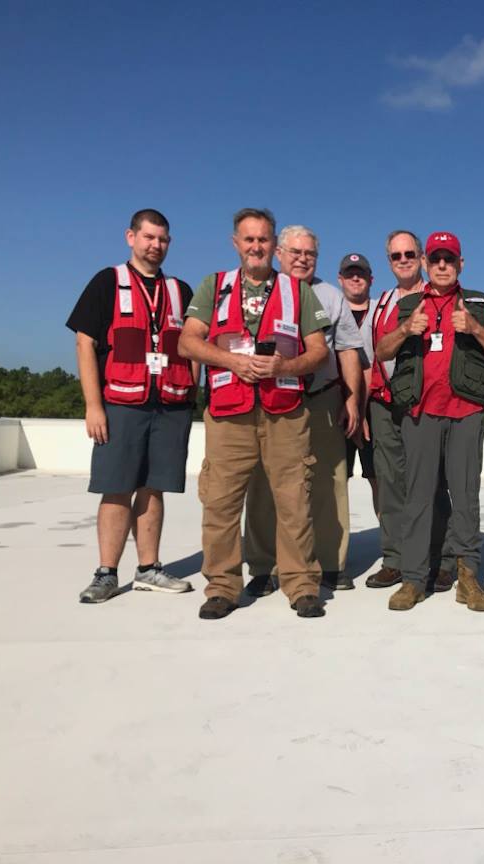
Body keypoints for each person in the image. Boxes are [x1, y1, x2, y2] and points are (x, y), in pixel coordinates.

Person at [178, 208, 329, 620]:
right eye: (249, 240)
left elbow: (319, 351)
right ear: (236, 244)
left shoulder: (298, 291)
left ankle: (301, 584)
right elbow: (188, 342)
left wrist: (283, 366)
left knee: (294, 500)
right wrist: (230, 361)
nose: (256, 247)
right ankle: (223, 587)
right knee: (221, 502)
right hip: (229, 412)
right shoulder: (215, 286)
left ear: (273, 244)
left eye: (263, 239)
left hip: (285, 411)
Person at [67, 208, 197, 603]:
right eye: (148, 237)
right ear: (131, 237)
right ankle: (107, 572)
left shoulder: (180, 290)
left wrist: (194, 395)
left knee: (154, 487)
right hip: (121, 402)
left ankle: (148, 568)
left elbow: (194, 347)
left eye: (162, 239)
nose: (155, 245)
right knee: (116, 487)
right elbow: (85, 343)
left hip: (171, 404)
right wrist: (93, 405)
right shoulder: (108, 281)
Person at [374, 231, 484, 611]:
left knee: (465, 498)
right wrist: (405, 330)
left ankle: (468, 578)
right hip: (420, 413)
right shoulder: (410, 304)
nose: (443, 266)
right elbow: (381, 350)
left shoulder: (479, 303)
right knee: (417, 497)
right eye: (436, 259)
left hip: (466, 412)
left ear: (461, 264)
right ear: (425, 263)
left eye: (450, 259)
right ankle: (414, 580)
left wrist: (476, 329)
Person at [242, 225, 366, 595]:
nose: (302, 259)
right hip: (272, 400)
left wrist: (351, 399)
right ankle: (265, 564)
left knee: (330, 482)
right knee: (266, 484)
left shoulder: (331, 295)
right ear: (279, 253)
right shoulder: (259, 292)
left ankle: (331, 563)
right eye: (295, 252)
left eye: (310, 253)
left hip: (322, 396)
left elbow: (347, 349)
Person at [363, 230, 455, 592]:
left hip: (426, 403)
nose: (403, 261)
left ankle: (442, 558)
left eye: (409, 254)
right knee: (389, 483)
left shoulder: (438, 297)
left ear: (422, 258)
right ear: (388, 261)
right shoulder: (381, 302)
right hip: (385, 403)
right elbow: (370, 354)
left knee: (432, 482)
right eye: (396, 256)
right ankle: (395, 559)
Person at [339, 253, 379, 515]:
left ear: (370, 279)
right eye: (350, 273)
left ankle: (392, 549)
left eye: (361, 273)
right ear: (340, 279)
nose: (356, 278)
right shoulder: (330, 308)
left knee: (380, 480)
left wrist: (362, 409)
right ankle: (332, 550)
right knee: (334, 482)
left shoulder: (382, 310)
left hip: (376, 408)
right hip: (336, 405)